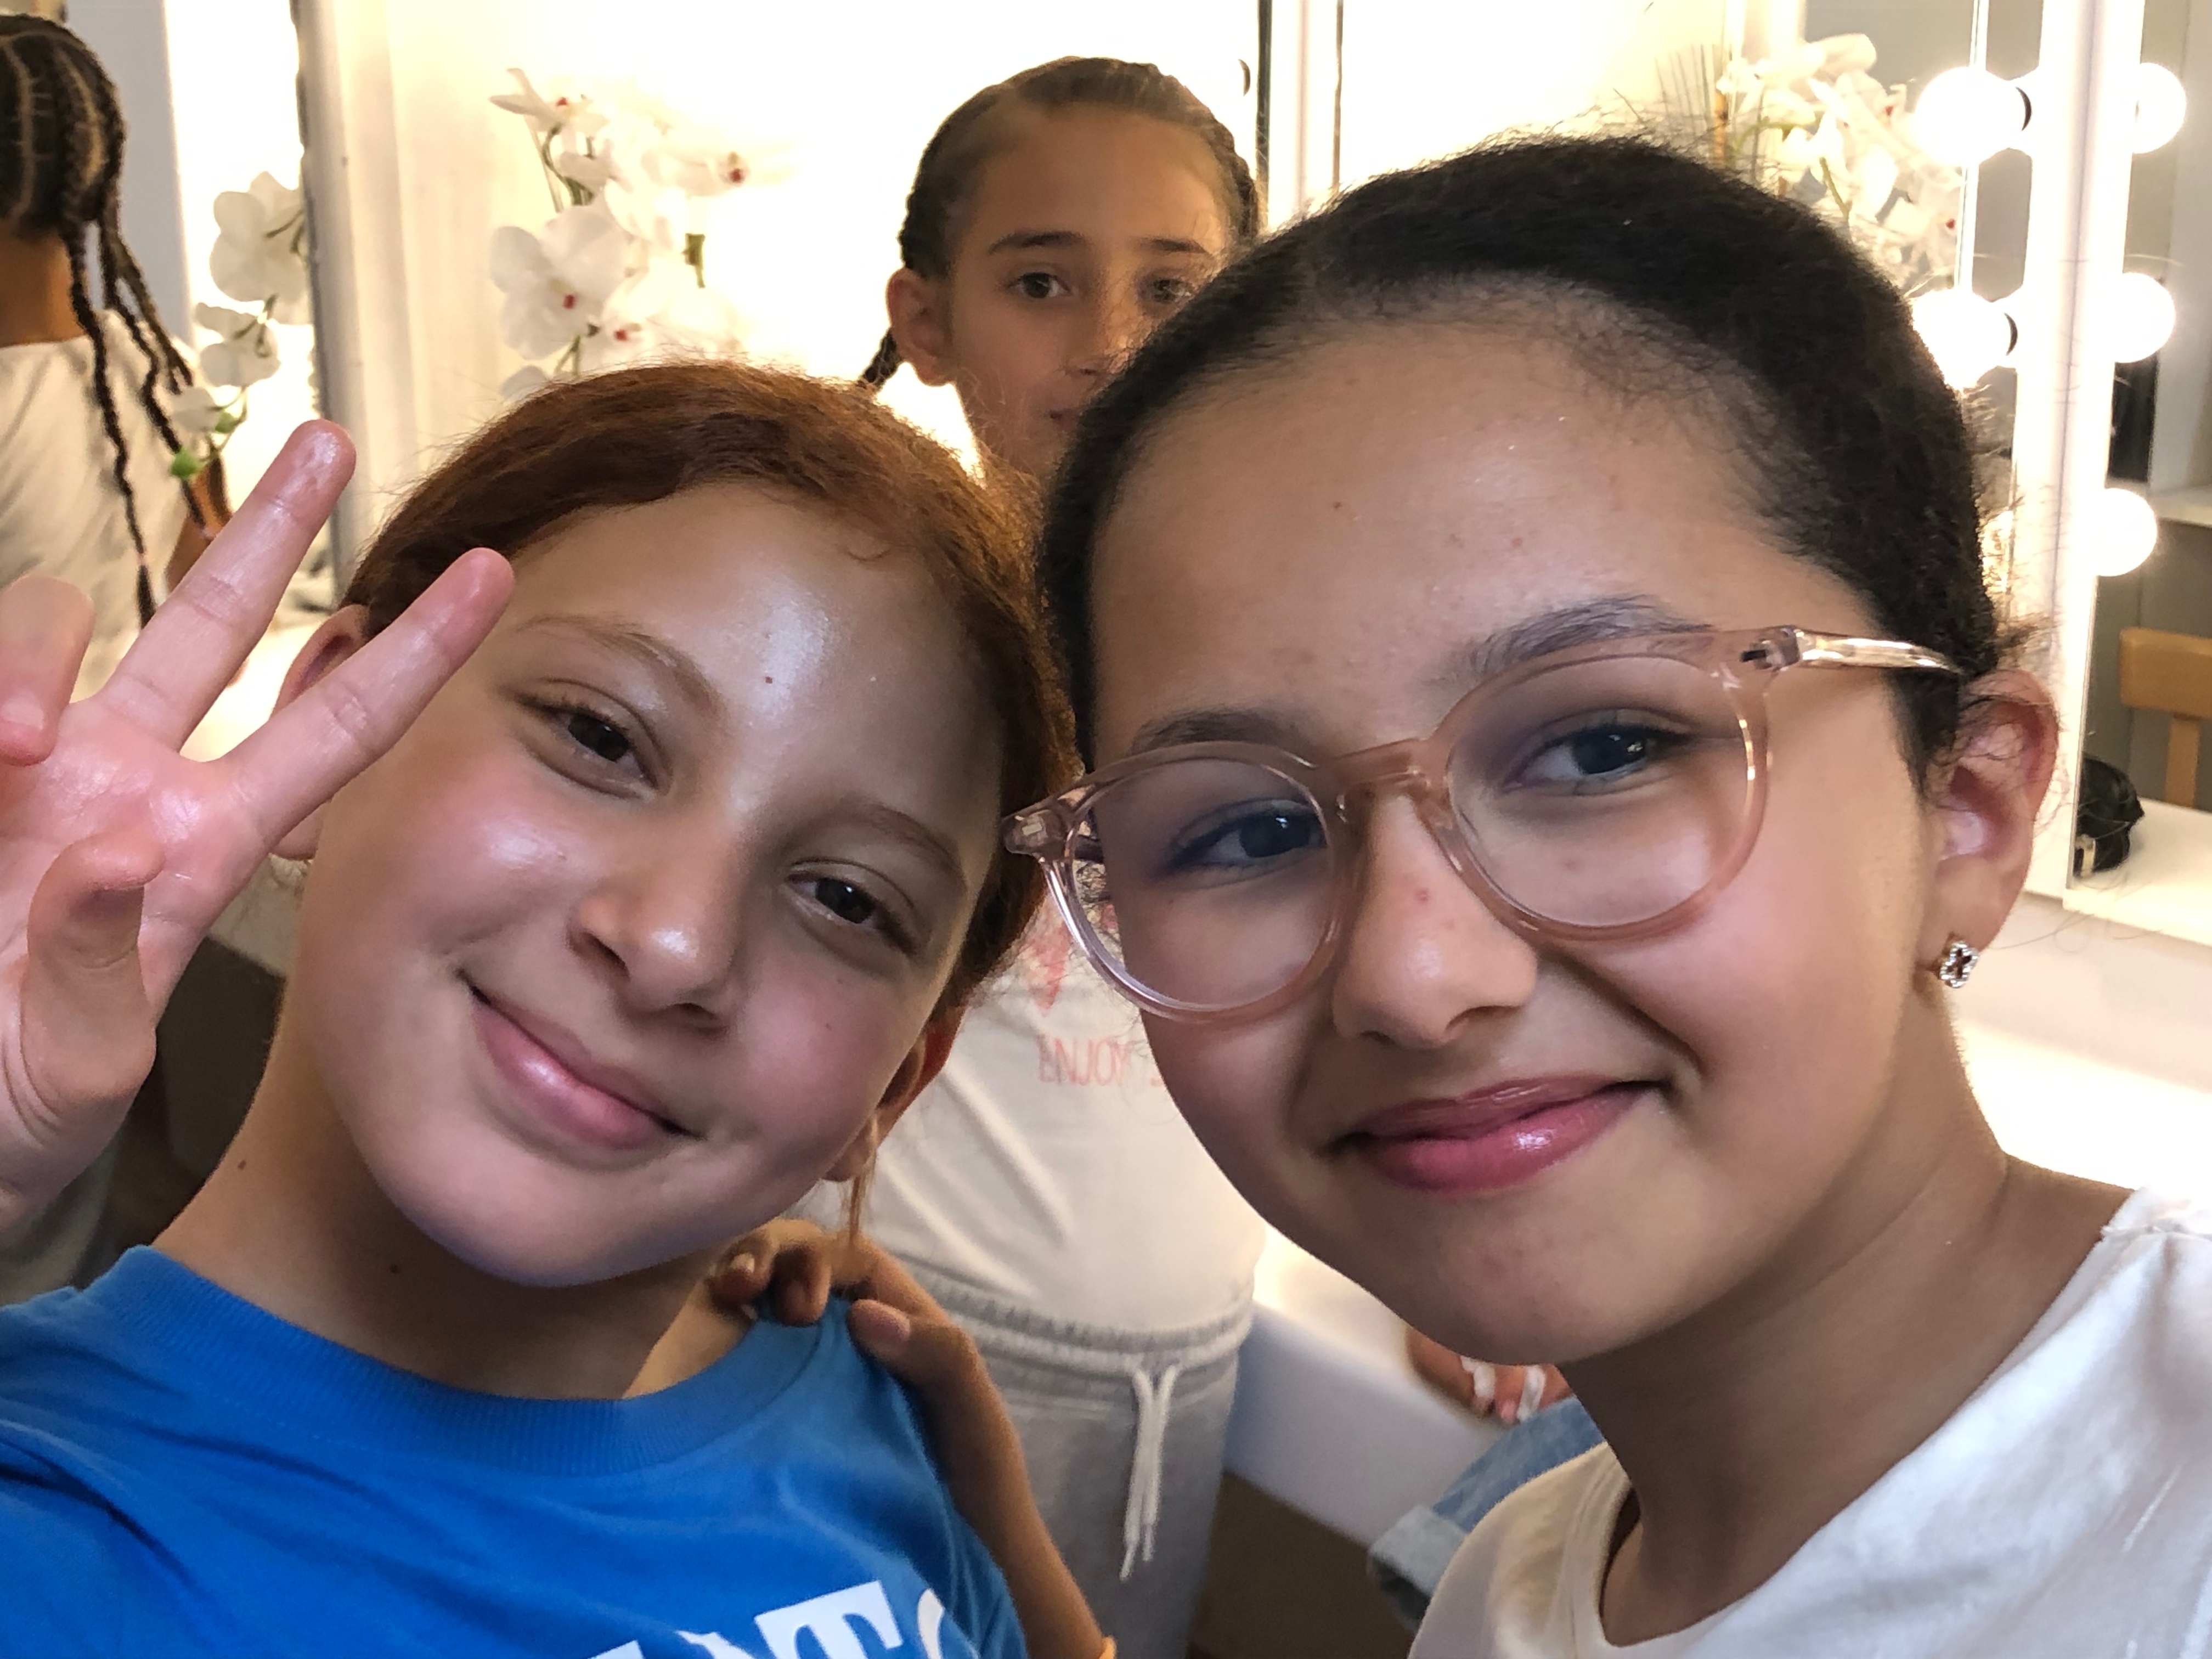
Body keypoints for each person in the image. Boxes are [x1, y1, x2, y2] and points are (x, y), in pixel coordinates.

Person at [991, 133, 2210, 1655]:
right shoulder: (1502, 1595)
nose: (1413, 979)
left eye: (1603, 747)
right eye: (1241, 831)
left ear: (1966, 807)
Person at [0, 365, 1108, 1659]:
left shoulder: (886, 1411)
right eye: (600, 737)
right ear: (334, 724)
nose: (677, 944)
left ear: (901, 1079)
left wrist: (1004, 1545)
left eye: (849, 899)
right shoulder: (54, 1524)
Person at [827, 57, 1268, 1657]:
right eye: (1040, 282)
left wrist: (1457, 1269)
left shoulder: (1278, 645)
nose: (1110, 341)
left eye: (1172, 287)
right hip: (902, 1336)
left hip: (1183, 1368)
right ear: (926, 320)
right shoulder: (886, 636)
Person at [0, 14, 223, 1304]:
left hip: (17, 816)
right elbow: (205, 560)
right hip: (124, 811)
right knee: (73, 1150)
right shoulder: (143, 362)